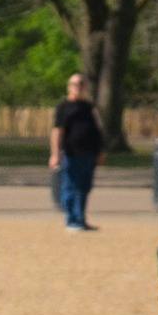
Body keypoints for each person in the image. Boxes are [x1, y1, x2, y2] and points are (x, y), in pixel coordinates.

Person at [49, 74, 105, 232]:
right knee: (70, 186)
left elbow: (97, 130)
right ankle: (71, 219)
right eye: (75, 84)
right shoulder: (63, 107)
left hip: (89, 153)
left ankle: (80, 218)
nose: (78, 87)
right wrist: (55, 153)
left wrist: (100, 150)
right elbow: (57, 131)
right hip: (70, 153)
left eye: (81, 84)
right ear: (69, 86)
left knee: (85, 187)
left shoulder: (89, 107)